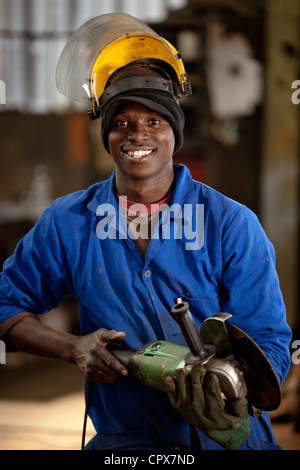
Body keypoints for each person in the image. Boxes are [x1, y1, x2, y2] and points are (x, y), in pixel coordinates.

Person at [0, 14, 292, 451]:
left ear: (175, 131)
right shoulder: (69, 222)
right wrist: (73, 347)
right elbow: (7, 305)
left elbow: (271, 342)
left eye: (155, 121)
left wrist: (231, 383)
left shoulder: (230, 224)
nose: (138, 134)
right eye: (123, 122)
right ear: (108, 133)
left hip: (228, 442)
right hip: (127, 444)